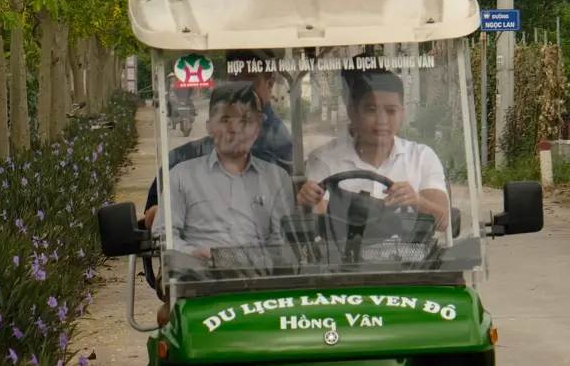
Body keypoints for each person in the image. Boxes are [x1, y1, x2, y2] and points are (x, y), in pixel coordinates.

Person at [144, 49, 293, 230]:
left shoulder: (277, 140)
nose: (240, 88)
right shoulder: (187, 160)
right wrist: (157, 203)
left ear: (269, 84)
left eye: (249, 80)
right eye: (235, 80)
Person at [160, 82, 294, 258]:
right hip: (197, 275)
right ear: (209, 127)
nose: (235, 129)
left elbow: (282, 241)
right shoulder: (181, 176)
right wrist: (192, 254)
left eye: (245, 121)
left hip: (260, 278)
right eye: (225, 120)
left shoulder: (277, 178)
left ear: (257, 129)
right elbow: (164, 236)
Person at [295, 69, 450, 222]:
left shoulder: (422, 158)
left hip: (410, 247)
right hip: (343, 247)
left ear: (402, 114)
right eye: (371, 109)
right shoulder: (325, 159)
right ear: (352, 113)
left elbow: (444, 222)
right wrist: (309, 200)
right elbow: (321, 222)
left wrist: (416, 200)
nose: (381, 120)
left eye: (391, 111)